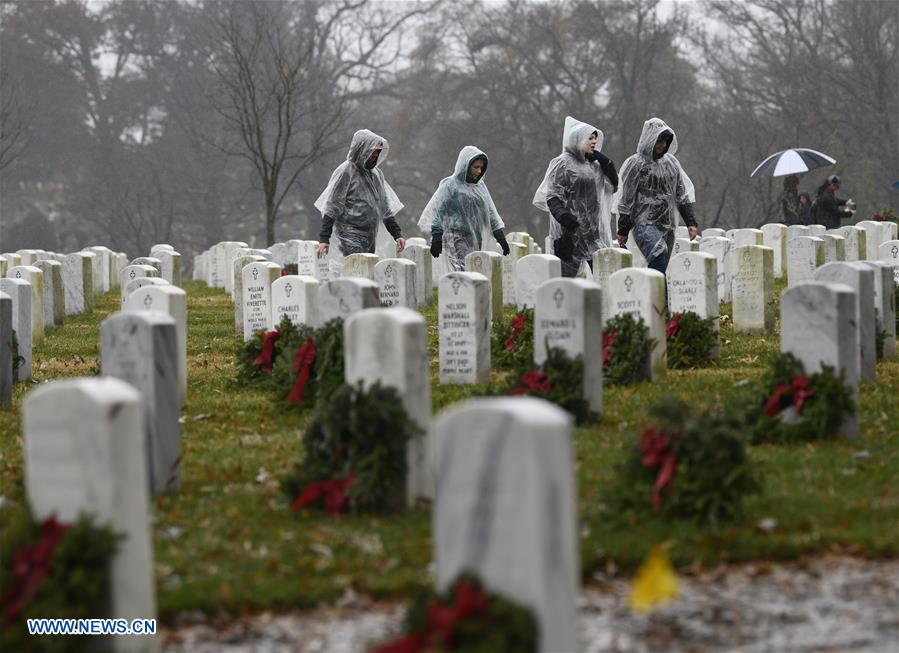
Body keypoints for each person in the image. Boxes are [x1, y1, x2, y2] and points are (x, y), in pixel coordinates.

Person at [533, 116, 618, 277]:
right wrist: (566, 218)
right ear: (576, 139)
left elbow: (612, 185)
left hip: (593, 234)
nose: (594, 141)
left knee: (604, 279)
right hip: (570, 234)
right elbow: (552, 196)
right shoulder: (562, 164)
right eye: (589, 138)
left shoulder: (593, 165)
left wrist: (605, 161)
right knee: (565, 282)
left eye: (595, 138)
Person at [615, 117, 697, 277]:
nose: (663, 145)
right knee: (658, 256)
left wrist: (690, 222)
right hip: (643, 223)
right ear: (650, 140)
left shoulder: (671, 163)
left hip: (667, 224)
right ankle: (659, 300)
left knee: (661, 265)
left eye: (666, 142)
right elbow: (626, 199)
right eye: (660, 141)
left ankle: (657, 300)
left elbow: (681, 194)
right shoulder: (635, 164)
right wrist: (623, 229)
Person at [315, 130, 405, 268]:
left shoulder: (375, 174)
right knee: (358, 271)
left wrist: (397, 234)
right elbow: (332, 206)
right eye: (372, 152)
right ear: (362, 149)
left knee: (367, 273)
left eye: (377, 153)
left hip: (370, 234)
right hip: (349, 234)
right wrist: (324, 238)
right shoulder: (346, 172)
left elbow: (384, 208)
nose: (375, 156)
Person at [420, 146, 510, 271]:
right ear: (465, 166)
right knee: (463, 273)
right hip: (454, 237)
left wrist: (500, 237)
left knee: (473, 270)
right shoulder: (451, 184)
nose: (479, 171)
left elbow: (490, 212)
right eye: (476, 167)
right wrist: (436, 234)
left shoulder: (480, 187)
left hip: (474, 238)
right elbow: (437, 210)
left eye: (481, 168)